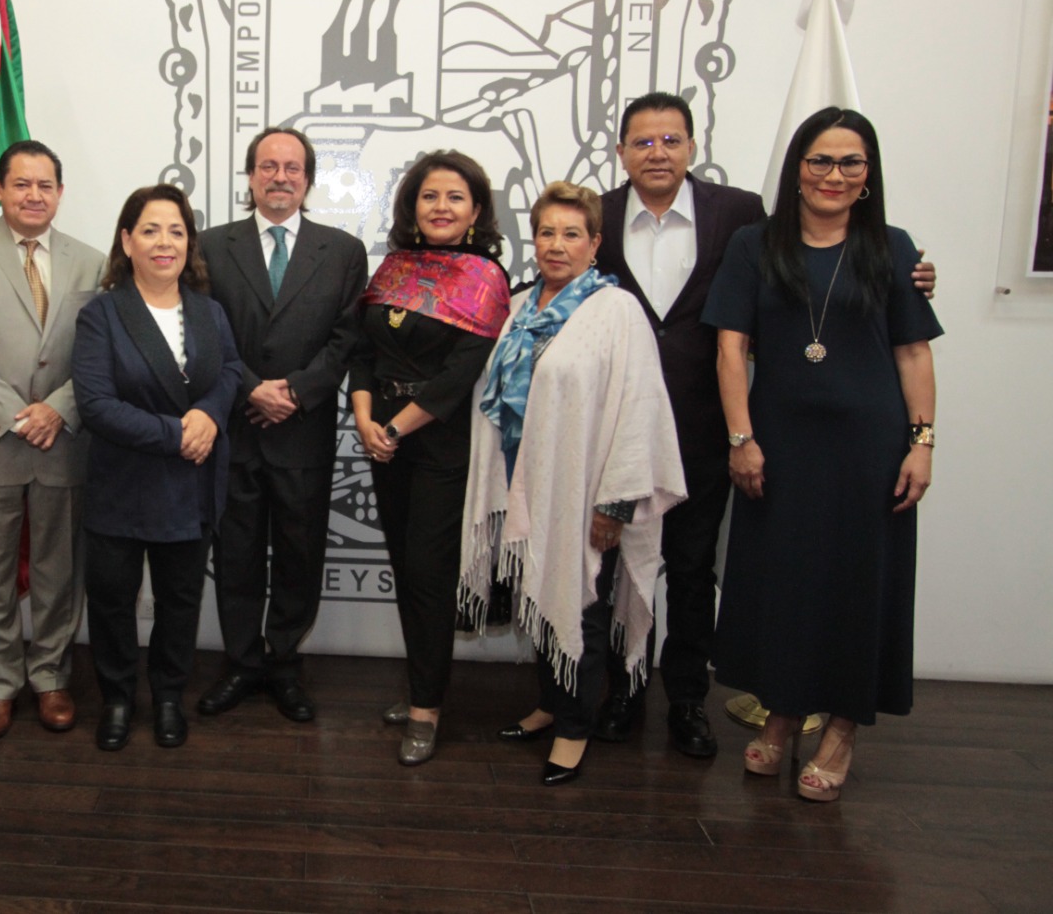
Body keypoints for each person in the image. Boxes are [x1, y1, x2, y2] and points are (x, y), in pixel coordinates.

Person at [593, 92, 937, 757]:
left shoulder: (741, 214)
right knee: (622, 571)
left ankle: (690, 702)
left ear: (694, 146)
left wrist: (921, 437)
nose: (658, 152)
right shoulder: (601, 216)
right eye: (643, 141)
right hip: (643, 424)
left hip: (727, 425)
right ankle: (624, 695)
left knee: (696, 570)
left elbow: (906, 343)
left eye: (671, 139)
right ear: (622, 151)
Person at [703, 108, 941, 803]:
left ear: (868, 175)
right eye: (820, 160)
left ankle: (840, 730)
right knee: (785, 585)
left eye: (850, 162)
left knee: (857, 586)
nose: (834, 175)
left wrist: (922, 444)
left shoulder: (893, 248)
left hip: (871, 449)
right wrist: (741, 439)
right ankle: (781, 716)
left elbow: (913, 353)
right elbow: (729, 350)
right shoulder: (754, 244)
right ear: (797, 168)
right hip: (779, 445)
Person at [461, 181, 686, 786]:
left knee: (581, 603)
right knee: (537, 597)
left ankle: (574, 727)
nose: (556, 245)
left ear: (594, 243)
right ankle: (549, 703)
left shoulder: (616, 310)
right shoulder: (517, 306)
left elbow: (639, 409)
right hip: (524, 485)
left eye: (571, 234)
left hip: (586, 492)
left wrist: (616, 504)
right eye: (546, 232)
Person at [0, 140, 106, 742]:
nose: (34, 195)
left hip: (64, 440)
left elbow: (100, 353)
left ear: (60, 192)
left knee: (61, 570)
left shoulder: (93, 262)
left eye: (45, 185)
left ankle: (52, 676)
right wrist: (16, 416)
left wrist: (58, 409)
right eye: (22, 184)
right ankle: (0, 682)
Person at [196, 127, 368, 723]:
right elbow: (203, 329)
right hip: (236, 427)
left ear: (308, 180)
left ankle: (285, 664)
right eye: (268, 166)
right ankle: (243, 663)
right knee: (237, 556)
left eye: (293, 168)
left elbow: (347, 337)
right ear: (250, 177)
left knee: (299, 556)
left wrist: (295, 391)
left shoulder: (343, 251)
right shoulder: (211, 246)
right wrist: (250, 386)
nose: (280, 177)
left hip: (304, 432)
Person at [348, 150, 511, 766]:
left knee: (429, 573)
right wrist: (365, 419)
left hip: (441, 441)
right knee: (405, 567)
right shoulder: (394, 268)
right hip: (384, 439)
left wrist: (393, 427)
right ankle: (423, 684)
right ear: (412, 206)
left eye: (455, 197)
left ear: (476, 211)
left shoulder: (484, 277)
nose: (441, 207)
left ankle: (426, 709)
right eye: (430, 196)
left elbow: (459, 376)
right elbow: (363, 352)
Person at [72, 184, 240, 752]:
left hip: (191, 487)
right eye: (150, 230)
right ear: (127, 241)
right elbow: (95, 405)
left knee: (181, 601)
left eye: (176, 230)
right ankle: (118, 699)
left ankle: (169, 697)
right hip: (123, 485)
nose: (164, 242)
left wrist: (210, 415)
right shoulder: (101, 314)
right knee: (112, 602)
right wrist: (178, 434)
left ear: (189, 242)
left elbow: (230, 371)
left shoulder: (209, 311)